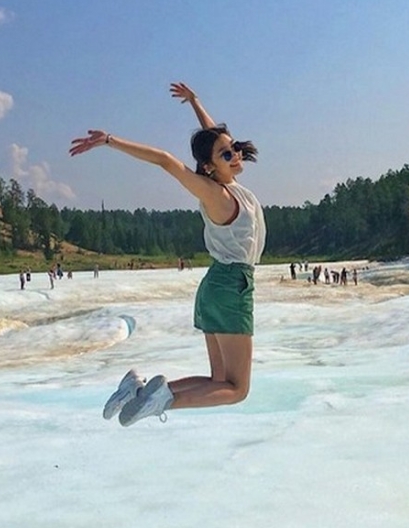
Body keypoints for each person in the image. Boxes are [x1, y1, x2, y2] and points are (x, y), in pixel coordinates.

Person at [69, 81, 266, 425]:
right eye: (226, 154)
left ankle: (139, 391)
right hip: (232, 286)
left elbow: (213, 135)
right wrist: (110, 141)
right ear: (208, 167)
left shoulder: (227, 186)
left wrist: (195, 102)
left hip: (216, 286)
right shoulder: (217, 196)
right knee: (236, 389)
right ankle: (160, 403)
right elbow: (166, 161)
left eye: (234, 148)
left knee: (219, 380)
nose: (235, 155)